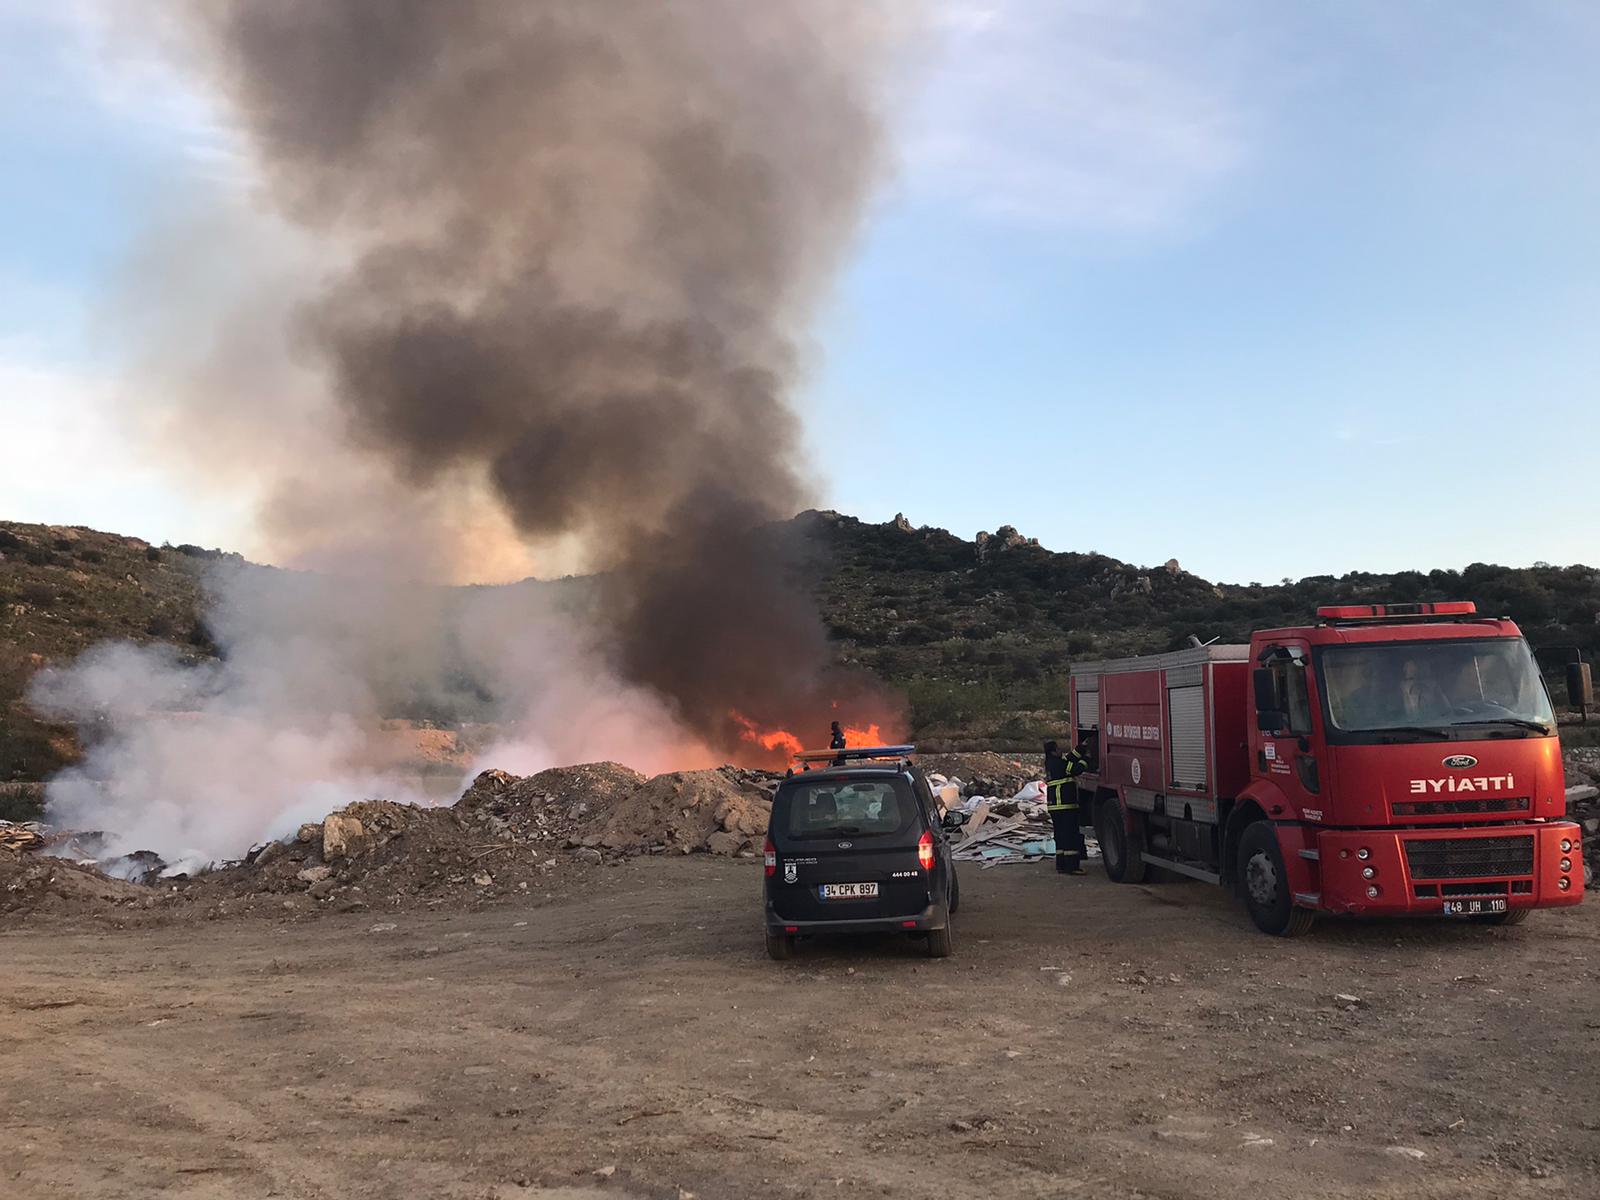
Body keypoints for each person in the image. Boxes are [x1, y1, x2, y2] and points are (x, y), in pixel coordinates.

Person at [1043, 735, 1091, 875]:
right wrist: (1087, 758)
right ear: (1053, 751)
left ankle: (1061, 865)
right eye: (1058, 749)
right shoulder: (1060, 764)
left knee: (1060, 836)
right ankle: (1072, 867)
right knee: (1070, 836)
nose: (1060, 750)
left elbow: (1069, 758)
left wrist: (1081, 747)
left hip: (1055, 807)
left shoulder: (1052, 763)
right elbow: (1076, 769)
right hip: (1065, 805)